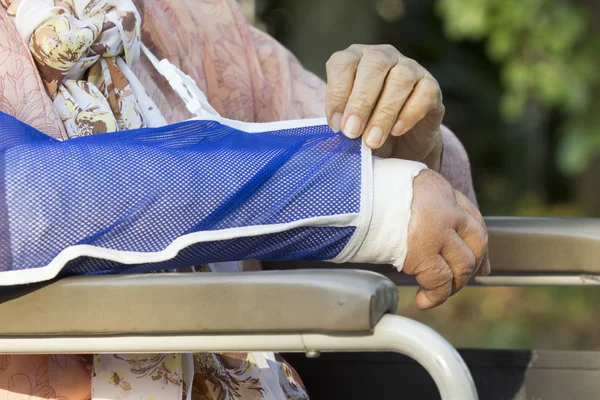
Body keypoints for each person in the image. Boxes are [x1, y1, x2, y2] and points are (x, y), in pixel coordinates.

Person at [0, 0, 488, 399]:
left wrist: (400, 143)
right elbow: (23, 202)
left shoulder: (190, 15)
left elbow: (386, 171)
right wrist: (372, 198)